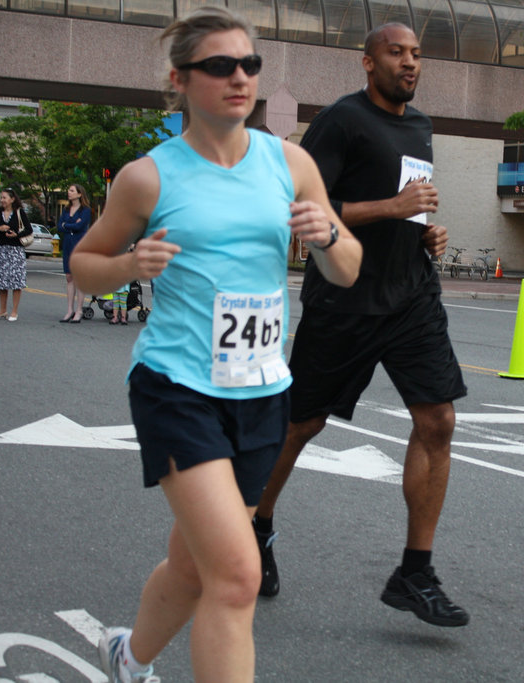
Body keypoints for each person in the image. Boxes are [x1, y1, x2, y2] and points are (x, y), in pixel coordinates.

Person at [70, 8, 360, 682]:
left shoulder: (291, 163)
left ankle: (128, 655)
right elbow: (87, 262)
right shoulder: (148, 176)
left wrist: (328, 236)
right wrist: (127, 267)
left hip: (261, 392)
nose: (240, 77)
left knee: (194, 564)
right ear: (180, 79)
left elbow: (347, 269)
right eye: (220, 66)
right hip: (177, 388)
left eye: (250, 65)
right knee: (237, 574)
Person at [251, 22, 470, 628]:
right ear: (367, 62)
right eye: (397, 53)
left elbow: (408, 200)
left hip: (412, 297)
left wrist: (426, 229)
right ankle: (257, 525)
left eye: (417, 55)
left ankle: (415, 572)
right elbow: (305, 209)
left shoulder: (420, 126)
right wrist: (394, 209)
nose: (410, 63)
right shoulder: (341, 122)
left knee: (439, 419)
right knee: (301, 424)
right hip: (344, 300)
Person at [0, 188, 33, 322]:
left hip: (16, 250)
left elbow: (29, 229)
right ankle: (2, 310)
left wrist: (17, 235)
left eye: (5, 198)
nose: (2, 200)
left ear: (12, 199)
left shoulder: (19, 213)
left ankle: (14, 311)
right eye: (1, 198)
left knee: (16, 281)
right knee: (2, 281)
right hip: (2, 249)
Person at [58, 183, 93, 323]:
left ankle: (79, 310)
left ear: (79, 194)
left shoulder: (85, 210)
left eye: (72, 191)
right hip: (67, 243)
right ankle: (69, 310)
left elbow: (80, 226)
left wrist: (68, 225)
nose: (69, 192)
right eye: (69, 190)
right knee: (69, 277)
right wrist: (68, 226)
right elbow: (59, 226)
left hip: (80, 244)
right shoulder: (66, 210)